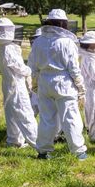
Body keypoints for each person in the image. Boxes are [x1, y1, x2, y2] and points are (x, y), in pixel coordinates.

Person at [28, 9, 87, 160]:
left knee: (47, 118)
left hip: (44, 83)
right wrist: (80, 86)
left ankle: (43, 151)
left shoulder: (38, 41)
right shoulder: (67, 42)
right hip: (64, 83)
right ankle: (79, 151)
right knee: (70, 117)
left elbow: (32, 66)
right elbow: (74, 68)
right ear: (63, 23)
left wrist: (34, 85)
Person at [0, 18, 38, 149]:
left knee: (11, 113)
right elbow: (19, 67)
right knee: (24, 112)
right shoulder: (7, 48)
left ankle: (14, 140)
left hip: (8, 84)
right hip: (16, 85)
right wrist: (29, 70)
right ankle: (39, 145)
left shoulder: (2, 46)